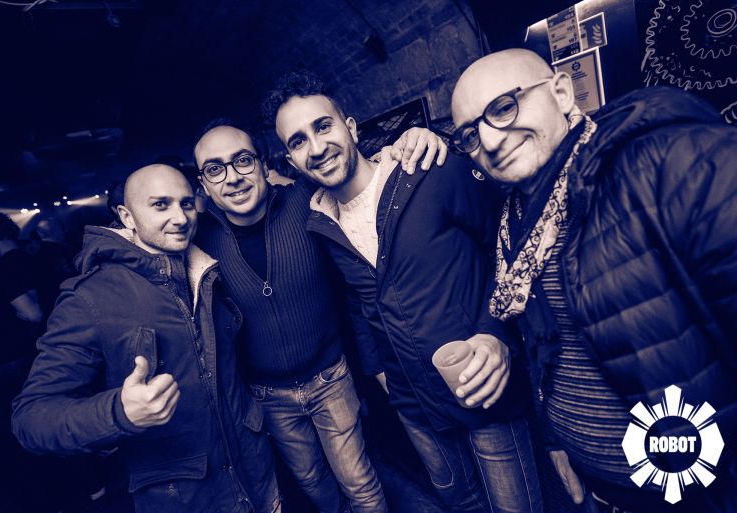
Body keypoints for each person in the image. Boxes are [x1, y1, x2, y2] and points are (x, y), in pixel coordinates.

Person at [450, 48, 737, 513]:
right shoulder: (514, 221)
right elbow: (546, 348)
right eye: (469, 133)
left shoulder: (668, 161)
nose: (490, 139)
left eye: (504, 107)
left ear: (562, 93)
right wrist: (558, 441)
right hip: (602, 488)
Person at [263, 70, 543, 513]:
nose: (316, 148)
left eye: (323, 126)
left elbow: (506, 246)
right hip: (415, 407)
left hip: (483, 388)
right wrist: (380, 372)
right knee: (460, 502)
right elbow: (359, 302)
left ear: (350, 128)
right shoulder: (318, 221)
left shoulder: (428, 171)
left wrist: (497, 334)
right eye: (298, 141)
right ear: (291, 161)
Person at [193, 117, 446, 513]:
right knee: (312, 481)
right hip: (269, 396)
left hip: (331, 378)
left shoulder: (304, 198)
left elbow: (352, 165)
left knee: (358, 479)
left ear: (264, 163)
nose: (233, 177)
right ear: (204, 185)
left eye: (242, 160)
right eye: (215, 169)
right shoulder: (197, 240)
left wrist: (409, 139)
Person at [12, 164, 280, 513]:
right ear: (127, 216)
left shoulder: (207, 268)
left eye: (186, 203)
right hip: (186, 498)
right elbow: (30, 418)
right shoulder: (90, 298)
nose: (180, 218)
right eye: (160, 205)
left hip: (257, 474)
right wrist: (119, 412)